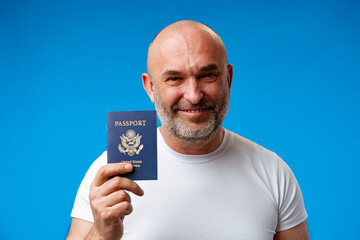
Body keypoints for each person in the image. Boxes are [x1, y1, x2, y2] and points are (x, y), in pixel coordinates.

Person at [67, 20, 309, 240]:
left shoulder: (273, 172)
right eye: (174, 78)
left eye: (207, 75)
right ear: (150, 88)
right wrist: (100, 234)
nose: (194, 96)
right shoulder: (108, 175)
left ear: (229, 79)